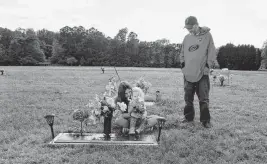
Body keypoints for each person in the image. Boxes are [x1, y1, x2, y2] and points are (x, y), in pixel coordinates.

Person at [180, 16, 216, 128]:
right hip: (188, 73)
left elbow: (212, 52)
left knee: (204, 98)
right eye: (187, 28)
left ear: (196, 25)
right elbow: (182, 53)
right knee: (188, 98)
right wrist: (183, 66)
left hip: (202, 73)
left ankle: (205, 120)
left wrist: (207, 66)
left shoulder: (207, 35)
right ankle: (188, 118)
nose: (188, 30)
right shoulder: (186, 38)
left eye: (190, 27)